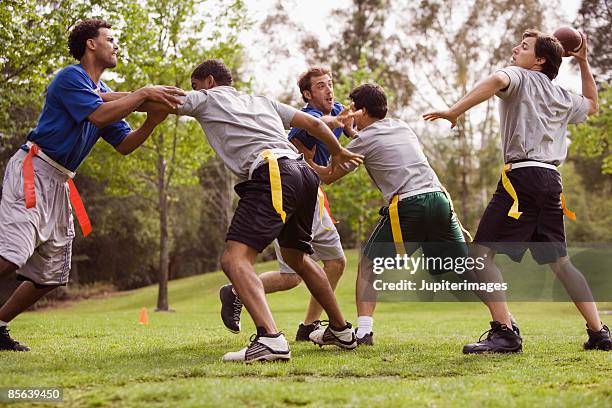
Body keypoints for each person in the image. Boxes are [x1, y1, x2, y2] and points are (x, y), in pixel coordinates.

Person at [143, 59, 363, 362]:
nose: (194, 93)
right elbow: (313, 124)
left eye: (194, 87)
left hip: (273, 171)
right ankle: (341, 330)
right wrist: (337, 151)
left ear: (207, 81)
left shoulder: (207, 98)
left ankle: (270, 339)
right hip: (304, 175)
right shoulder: (260, 101)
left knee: (234, 259)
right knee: (296, 257)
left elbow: (152, 98)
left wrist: (98, 97)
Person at [0, 19, 184, 352]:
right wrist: (144, 93)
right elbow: (99, 115)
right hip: (34, 170)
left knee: (51, 274)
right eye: (110, 39)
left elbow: (126, 144)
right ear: (91, 44)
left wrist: (152, 121)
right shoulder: (71, 77)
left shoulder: (103, 95)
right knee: (12, 255)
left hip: (60, 182)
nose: (116, 45)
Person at [423, 29, 611, 352]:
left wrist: (455, 110)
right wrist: (583, 62)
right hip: (551, 182)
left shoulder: (519, 76)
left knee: (480, 257)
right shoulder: (561, 95)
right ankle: (600, 333)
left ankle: (505, 332)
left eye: (523, 47)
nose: (514, 49)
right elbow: (593, 103)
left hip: (521, 180)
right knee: (562, 263)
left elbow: (496, 81)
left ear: (539, 60)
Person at [307, 83, 468, 346]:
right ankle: (504, 321)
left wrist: (305, 161)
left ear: (362, 110)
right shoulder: (401, 126)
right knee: (462, 269)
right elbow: (375, 145)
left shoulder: (363, 140)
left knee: (369, 264)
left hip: (409, 204)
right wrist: (351, 131)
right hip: (439, 199)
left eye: (353, 108)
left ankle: (364, 331)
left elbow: (330, 176)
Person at [219, 67, 356, 341]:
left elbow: (343, 124)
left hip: (310, 190)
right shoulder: (310, 120)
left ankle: (314, 325)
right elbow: (305, 138)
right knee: (294, 269)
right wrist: (332, 151)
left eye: (330, 84)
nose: (329, 90)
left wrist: (351, 129)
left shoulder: (338, 110)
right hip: (291, 184)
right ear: (307, 94)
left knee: (328, 264)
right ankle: (240, 294)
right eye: (320, 86)